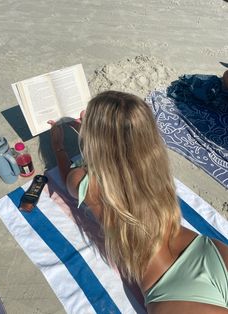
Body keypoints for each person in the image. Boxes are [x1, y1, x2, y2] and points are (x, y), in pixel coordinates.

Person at [49, 90, 228, 313]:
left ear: (94, 140)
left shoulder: (87, 184)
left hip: (169, 288)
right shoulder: (154, 167)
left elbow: (69, 178)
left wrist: (59, 147)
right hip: (209, 252)